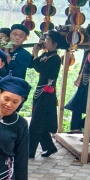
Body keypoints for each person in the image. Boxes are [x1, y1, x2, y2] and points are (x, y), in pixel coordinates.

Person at [28, 30, 66, 158]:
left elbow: (39, 68)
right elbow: (32, 64)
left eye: (48, 40)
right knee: (40, 122)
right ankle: (49, 147)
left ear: (54, 44)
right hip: (40, 91)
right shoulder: (46, 56)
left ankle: (29, 151)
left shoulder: (55, 59)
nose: (45, 42)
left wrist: (35, 54)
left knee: (36, 123)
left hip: (46, 93)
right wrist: (35, 53)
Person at [66, 47, 90, 134]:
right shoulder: (87, 50)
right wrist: (79, 77)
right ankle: (75, 127)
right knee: (77, 102)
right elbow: (83, 65)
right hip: (85, 77)